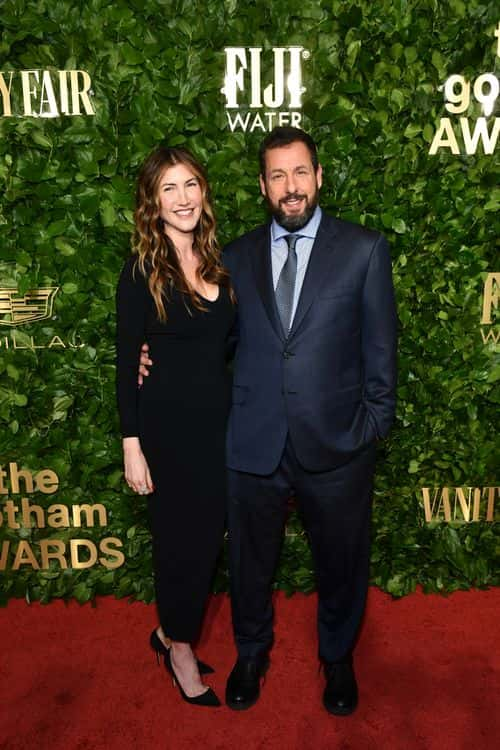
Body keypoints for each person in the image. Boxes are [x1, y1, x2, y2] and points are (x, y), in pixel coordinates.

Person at [140, 126, 398, 715]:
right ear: (262, 185)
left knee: (341, 561)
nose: (290, 187)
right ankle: (251, 653)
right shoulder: (232, 257)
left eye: (300, 172)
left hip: (336, 446)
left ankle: (337, 658)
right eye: (277, 175)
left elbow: (382, 353)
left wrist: (370, 427)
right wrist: (148, 355)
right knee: (249, 566)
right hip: (254, 441)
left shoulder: (363, 250)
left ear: (319, 177)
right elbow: (209, 342)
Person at [116, 145, 235, 708]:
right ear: (153, 202)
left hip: (219, 430)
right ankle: (180, 648)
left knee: (209, 542)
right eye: (169, 189)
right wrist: (131, 444)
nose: (183, 199)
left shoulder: (219, 263)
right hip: (165, 433)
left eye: (190, 185)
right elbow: (124, 362)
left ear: (203, 192)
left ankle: (167, 631)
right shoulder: (142, 269)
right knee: (178, 546)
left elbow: (230, 348)